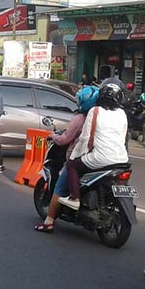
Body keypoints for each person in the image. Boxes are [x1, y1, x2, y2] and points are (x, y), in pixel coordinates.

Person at [34, 85, 98, 233]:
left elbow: (65, 139)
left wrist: (53, 136)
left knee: (59, 187)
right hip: (100, 158)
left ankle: (49, 221)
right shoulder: (100, 117)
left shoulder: (80, 118)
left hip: (80, 157)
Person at [58, 77, 129, 211]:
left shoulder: (94, 111)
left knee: (72, 165)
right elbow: (123, 136)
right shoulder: (122, 113)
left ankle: (74, 198)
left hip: (100, 158)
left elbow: (85, 138)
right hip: (122, 160)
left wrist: (74, 157)